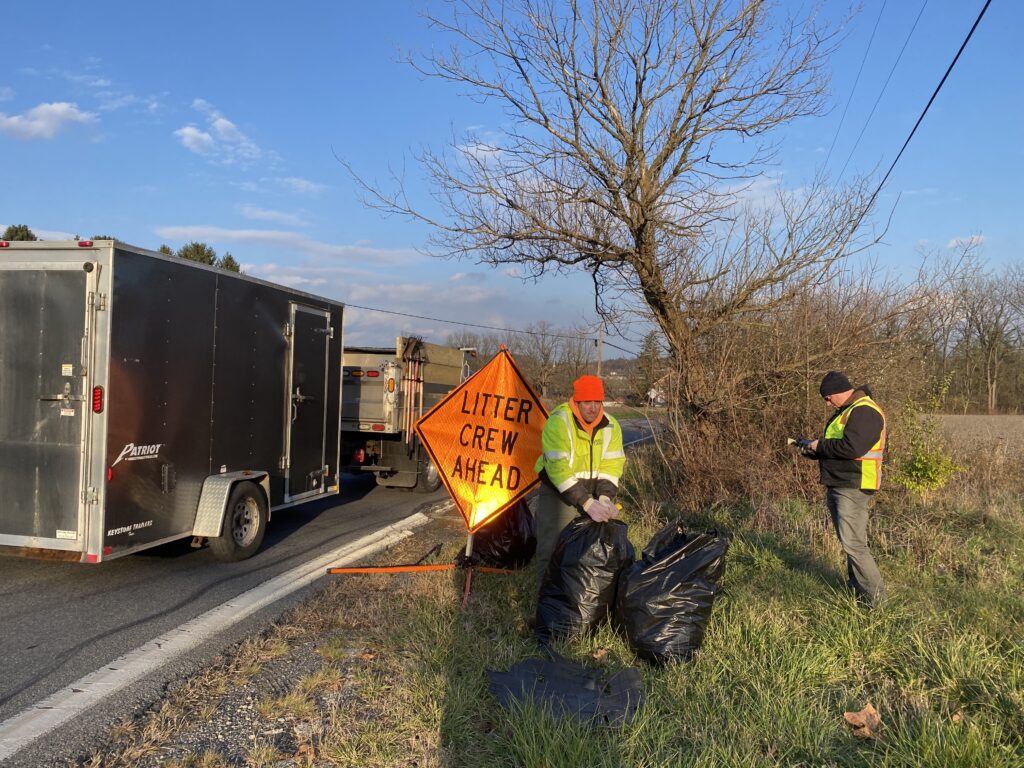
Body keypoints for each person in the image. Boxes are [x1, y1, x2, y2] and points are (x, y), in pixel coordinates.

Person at [533, 375, 626, 589]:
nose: (593, 408)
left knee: (587, 549)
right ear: (576, 401)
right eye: (587, 402)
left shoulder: (612, 426)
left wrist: (604, 498)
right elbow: (558, 470)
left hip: (593, 492)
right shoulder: (558, 421)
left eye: (597, 402)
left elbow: (612, 466)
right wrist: (586, 502)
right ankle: (544, 607)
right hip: (558, 491)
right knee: (552, 547)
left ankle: (574, 602)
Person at [804, 371, 887, 607]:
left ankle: (876, 602)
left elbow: (853, 448)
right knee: (849, 542)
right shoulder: (848, 411)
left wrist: (820, 445)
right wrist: (814, 450)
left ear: (840, 391)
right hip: (841, 482)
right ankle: (858, 589)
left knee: (854, 544)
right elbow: (838, 448)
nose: (827, 403)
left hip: (855, 484)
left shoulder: (865, 411)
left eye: (828, 398)